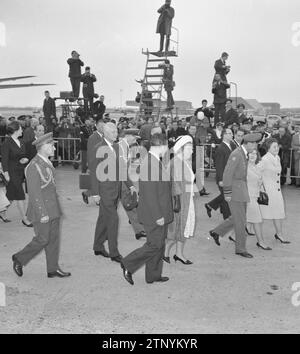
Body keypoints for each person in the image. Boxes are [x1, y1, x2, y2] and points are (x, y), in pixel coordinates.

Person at [11, 133, 71, 278]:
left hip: (53, 208)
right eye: (51, 145)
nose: (54, 148)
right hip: (42, 210)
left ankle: (52, 268)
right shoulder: (34, 166)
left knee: (54, 239)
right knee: (43, 239)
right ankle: (19, 258)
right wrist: (42, 213)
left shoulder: (46, 162)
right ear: (43, 147)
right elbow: (34, 193)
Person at [121, 133, 173, 285]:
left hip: (160, 211)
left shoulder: (154, 161)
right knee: (154, 245)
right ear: (161, 146)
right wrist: (158, 215)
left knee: (159, 245)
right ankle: (128, 263)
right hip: (154, 214)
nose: (167, 148)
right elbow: (150, 194)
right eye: (166, 146)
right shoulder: (150, 164)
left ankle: (153, 275)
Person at [93, 123, 136, 263]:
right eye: (112, 132)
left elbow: (121, 169)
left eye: (116, 131)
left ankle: (98, 246)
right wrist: (95, 193)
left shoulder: (117, 147)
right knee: (113, 220)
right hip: (104, 190)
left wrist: (130, 185)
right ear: (104, 133)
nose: (115, 134)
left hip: (115, 190)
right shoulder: (98, 148)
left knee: (103, 219)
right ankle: (114, 253)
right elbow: (93, 172)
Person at [222, 133, 262, 258]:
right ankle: (240, 248)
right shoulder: (236, 154)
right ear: (248, 143)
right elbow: (227, 174)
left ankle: (217, 232)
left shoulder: (242, 153)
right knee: (240, 221)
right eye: (254, 143)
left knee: (238, 218)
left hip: (241, 190)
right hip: (235, 191)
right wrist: (227, 193)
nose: (255, 146)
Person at [164, 135, 195, 265]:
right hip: (180, 202)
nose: (192, 151)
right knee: (176, 230)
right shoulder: (176, 163)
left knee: (183, 229)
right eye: (189, 148)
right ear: (181, 149)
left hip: (187, 199)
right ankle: (164, 253)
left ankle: (179, 254)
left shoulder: (183, 162)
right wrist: (179, 203)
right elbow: (174, 186)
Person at [258, 138, 291, 244]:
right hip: (267, 192)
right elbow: (256, 172)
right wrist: (261, 187)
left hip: (276, 191)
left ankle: (279, 234)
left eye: (277, 146)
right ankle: (235, 234)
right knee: (256, 215)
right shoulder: (265, 159)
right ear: (268, 148)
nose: (277, 149)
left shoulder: (277, 158)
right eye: (274, 147)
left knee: (278, 213)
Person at [1, 121, 32, 227]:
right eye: (20, 128)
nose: (22, 130)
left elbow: (22, 156)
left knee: (11, 195)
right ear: (15, 130)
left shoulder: (21, 141)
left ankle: (2, 212)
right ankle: (25, 219)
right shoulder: (6, 143)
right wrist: (6, 174)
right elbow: (4, 160)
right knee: (20, 195)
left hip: (20, 171)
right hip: (11, 172)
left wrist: (24, 159)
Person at [118, 129, 146, 240]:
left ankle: (139, 230)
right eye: (134, 138)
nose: (135, 140)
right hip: (120, 180)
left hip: (126, 179)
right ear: (128, 136)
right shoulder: (120, 147)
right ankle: (139, 229)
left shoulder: (128, 146)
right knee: (129, 203)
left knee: (131, 203)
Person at [205, 128, 234, 220]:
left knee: (227, 195)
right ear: (224, 135)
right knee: (226, 197)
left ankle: (210, 205)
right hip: (223, 177)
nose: (231, 135)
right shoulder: (221, 148)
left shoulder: (231, 145)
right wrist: (221, 179)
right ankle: (227, 218)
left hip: (230, 177)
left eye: (231, 133)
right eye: (229, 133)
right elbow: (219, 166)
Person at [246, 150, 271, 250]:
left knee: (244, 220)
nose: (253, 155)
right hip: (248, 197)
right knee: (257, 220)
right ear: (247, 155)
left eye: (255, 153)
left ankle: (229, 235)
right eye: (250, 153)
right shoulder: (244, 167)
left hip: (254, 196)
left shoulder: (256, 167)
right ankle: (261, 242)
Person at [82, 119, 105, 204]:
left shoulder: (105, 136)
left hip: (103, 163)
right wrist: (90, 165)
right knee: (98, 183)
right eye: (101, 126)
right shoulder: (93, 137)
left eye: (104, 127)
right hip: (96, 163)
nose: (103, 128)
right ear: (96, 126)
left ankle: (87, 193)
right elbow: (90, 152)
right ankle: (97, 199)